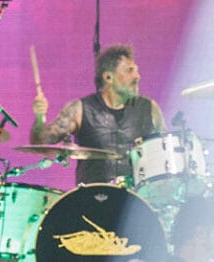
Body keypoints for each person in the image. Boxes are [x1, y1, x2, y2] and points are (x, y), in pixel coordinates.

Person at [30, 43, 166, 187]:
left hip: (136, 201)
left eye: (136, 70)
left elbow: (165, 154)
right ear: (108, 77)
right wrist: (39, 118)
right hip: (92, 201)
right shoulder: (80, 109)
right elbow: (40, 144)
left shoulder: (150, 109)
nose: (137, 76)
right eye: (129, 70)